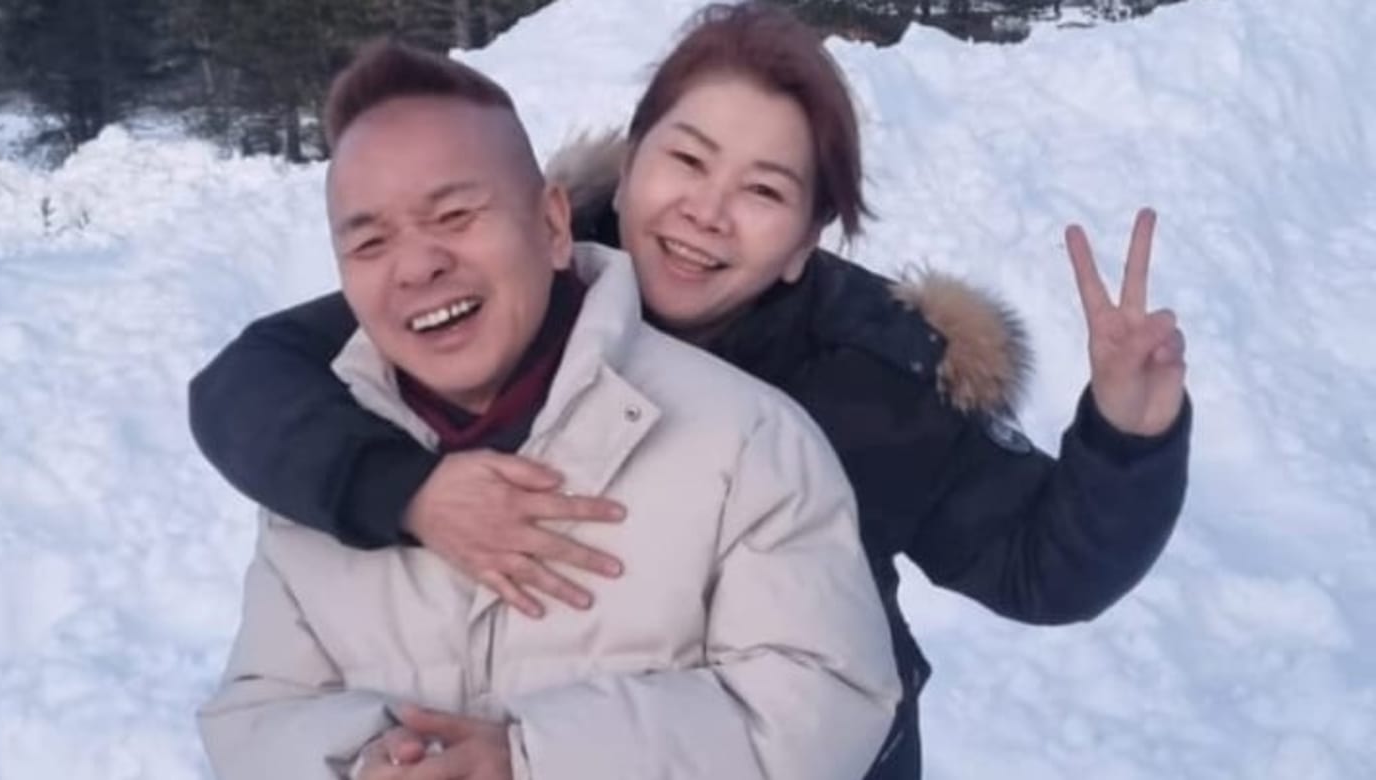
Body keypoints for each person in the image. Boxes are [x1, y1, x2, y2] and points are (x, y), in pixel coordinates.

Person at [190, 3, 1192, 777]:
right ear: (625, 174)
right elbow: (250, 381)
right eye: (686, 160)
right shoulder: (497, 280)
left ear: (804, 243)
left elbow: (1040, 569)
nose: (707, 213)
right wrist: (400, 491)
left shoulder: (868, 380)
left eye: (763, 191)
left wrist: (1129, 435)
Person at [195, 40, 898, 780]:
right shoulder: (326, 464)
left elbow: (820, 704)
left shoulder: (753, 442)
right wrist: (366, 759)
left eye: (456, 214)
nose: (417, 265)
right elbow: (255, 715)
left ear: (555, 226)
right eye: (370, 241)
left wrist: (534, 760)